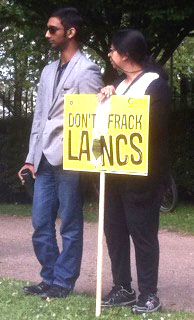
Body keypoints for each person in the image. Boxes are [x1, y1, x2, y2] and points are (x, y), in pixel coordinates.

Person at [18, 7, 102, 299]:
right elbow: (40, 117)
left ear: (70, 32)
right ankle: (49, 276)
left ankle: (64, 282)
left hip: (70, 160)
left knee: (70, 223)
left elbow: (94, 118)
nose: (47, 34)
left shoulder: (87, 69)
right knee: (40, 223)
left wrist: (91, 160)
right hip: (43, 159)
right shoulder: (47, 71)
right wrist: (30, 157)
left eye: (52, 29)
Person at [98, 29, 171, 314]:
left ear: (126, 54)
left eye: (112, 50)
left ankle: (149, 293)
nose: (109, 54)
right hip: (114, 173)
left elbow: (152, 127)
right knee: (114, 231)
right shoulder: (118, 84)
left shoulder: (155, 84)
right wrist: (105, 98)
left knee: (142, 233)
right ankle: (123, 287)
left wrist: (117, 104)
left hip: (142, 176)